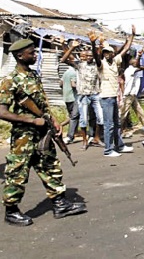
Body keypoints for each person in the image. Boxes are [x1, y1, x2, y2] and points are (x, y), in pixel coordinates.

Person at [0, 39, 87, 226]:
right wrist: (31, 120)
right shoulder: (9, 80)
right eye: (31, 53)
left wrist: (53, 120)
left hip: (43, 132)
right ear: (19, 55)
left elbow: (42, 104)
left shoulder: (33, 75)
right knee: (18, 172)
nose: (35, 55)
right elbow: (2, 112)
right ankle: (11, 210)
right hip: (24, 136)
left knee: (50, 166)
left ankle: (60, 203)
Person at [60, 31, 105, 150]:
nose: (89, 57)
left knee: (100, 118)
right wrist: (72, 48)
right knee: (83, 119)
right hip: (82, 95)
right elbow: (64, 59)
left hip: (95, 94)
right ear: (84, 57)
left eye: (91, 55)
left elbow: (97, 55)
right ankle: (85, 141)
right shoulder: (80, 65)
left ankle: (96, 137)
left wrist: (94, 43)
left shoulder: (98, 64)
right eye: (87, 55)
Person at [99, 27, 135, 157]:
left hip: (113, 97)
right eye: (105, 53)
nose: (107, 54)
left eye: (109, 52)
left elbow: (125, 49)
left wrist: (132, 35)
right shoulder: (101, 64)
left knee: (116, 123)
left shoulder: (115, 61)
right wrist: (93, 44)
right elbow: (95, 56)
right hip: (106, 98)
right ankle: (108, 150)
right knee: (109, 125)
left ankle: (119, 145)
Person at [120, 57, 144, 135]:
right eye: (137, 63)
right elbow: (138, 69)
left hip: (133, 95)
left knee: (140, 112)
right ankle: (116, 130)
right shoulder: (130, 70)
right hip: (128, 95)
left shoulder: (134, 70)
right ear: (133, 64)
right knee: (123, 114)